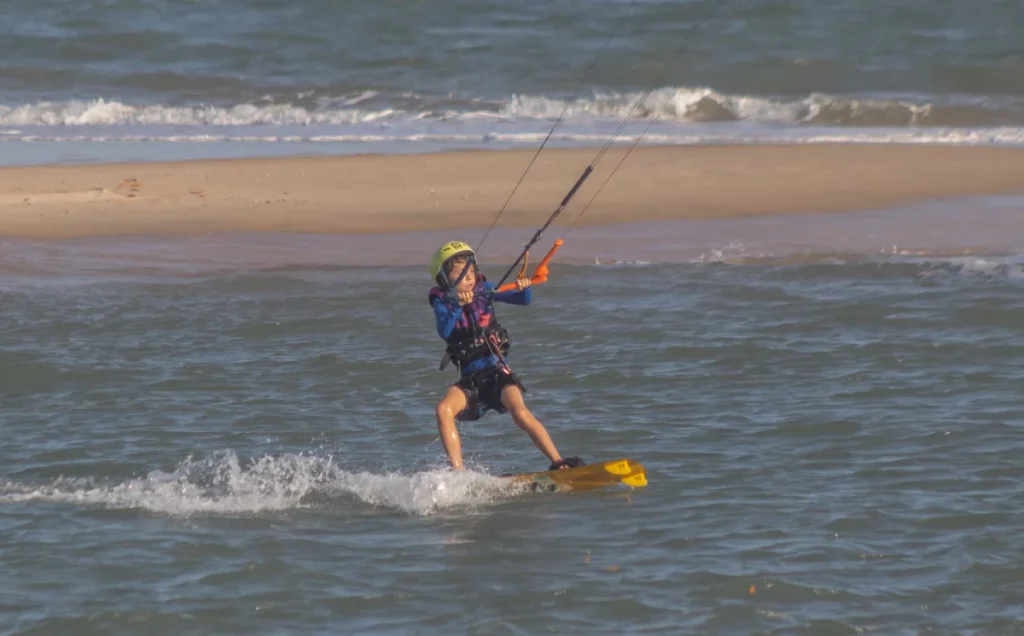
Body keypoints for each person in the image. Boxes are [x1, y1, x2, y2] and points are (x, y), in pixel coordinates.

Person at [428, 240, 584, 472]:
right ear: (444, 279)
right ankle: (458, 473)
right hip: (471, 380)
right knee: (443, 409)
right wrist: (459, 305)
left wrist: (524, 287)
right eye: (460, 274)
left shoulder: (484, 291)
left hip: (497, 372)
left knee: (519, 411)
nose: (469, 278)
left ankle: (558, 461)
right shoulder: (443, 303)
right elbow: (445, 330)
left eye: (471, 271)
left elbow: (524, 300)